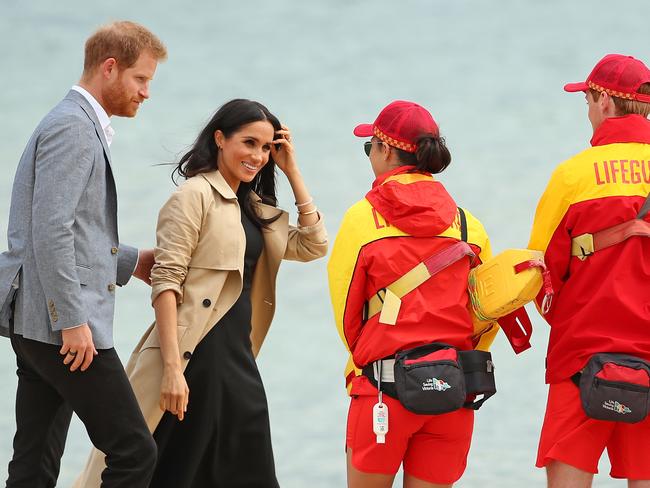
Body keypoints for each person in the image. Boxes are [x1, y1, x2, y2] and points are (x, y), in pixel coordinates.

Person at [74, 98, 328, 488]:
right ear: (220, 138)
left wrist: (291, 170)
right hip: (194, 360)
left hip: (239, 361)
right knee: (176, 471)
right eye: (248, 143)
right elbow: (166, 284)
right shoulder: (192, 196)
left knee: (250, 471)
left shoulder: (256, 208)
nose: (257, 156)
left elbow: (313, 246)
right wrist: (173, 371)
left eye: (265, 147)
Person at [0, 21, 167, 488]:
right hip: (62, 328)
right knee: (134, 452)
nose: (146, 92)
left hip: (34, 323)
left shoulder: (73, 123)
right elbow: (49, 231)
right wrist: (72, 320)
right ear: (109, 68)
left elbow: (71, 231)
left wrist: (130, 261)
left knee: (33, 466)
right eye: (141, 79)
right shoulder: (73, 128)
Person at [328, 100, 496, 488]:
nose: (370, 153)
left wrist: (367, 358)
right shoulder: (469, 225)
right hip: (451, 391)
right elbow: (486, 312)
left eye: (369, 145)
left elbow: (346, 314)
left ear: (386, 150)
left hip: (383, 393)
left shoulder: (361, 220)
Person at [529, 54, 650, 487]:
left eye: (587, 100)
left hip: (582, 356)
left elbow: (538, 270)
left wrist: (566, 315)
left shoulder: (573, 175)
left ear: (604, 102)